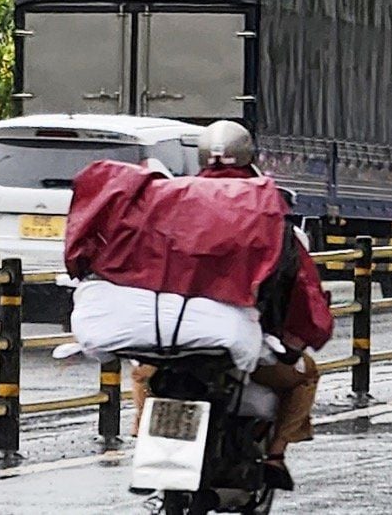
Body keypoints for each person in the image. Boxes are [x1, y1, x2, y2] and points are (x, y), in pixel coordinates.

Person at [124, 121, 333, 492]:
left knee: (143, 373)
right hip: (238, 352)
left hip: (171, 343)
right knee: (305, 375)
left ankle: (144, 440)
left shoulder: (175, 203)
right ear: (250, 155)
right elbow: (300, 285)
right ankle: (276, 455)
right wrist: (304, 333)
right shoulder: (266, 209)